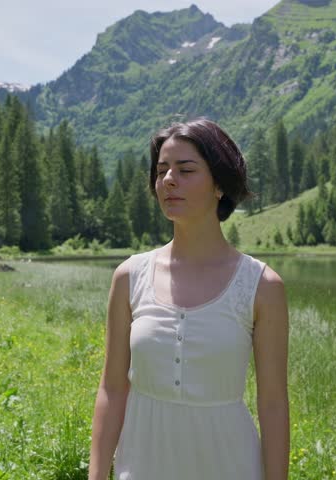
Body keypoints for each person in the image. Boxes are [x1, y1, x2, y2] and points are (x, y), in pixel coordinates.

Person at [88, 118, 290, 480]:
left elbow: (273, 404)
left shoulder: (261, 286)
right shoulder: (129, 277)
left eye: (185, 170)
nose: (169, 180)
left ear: (219, 185)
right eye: (161, 170)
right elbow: (112, 390)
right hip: (142, 466)